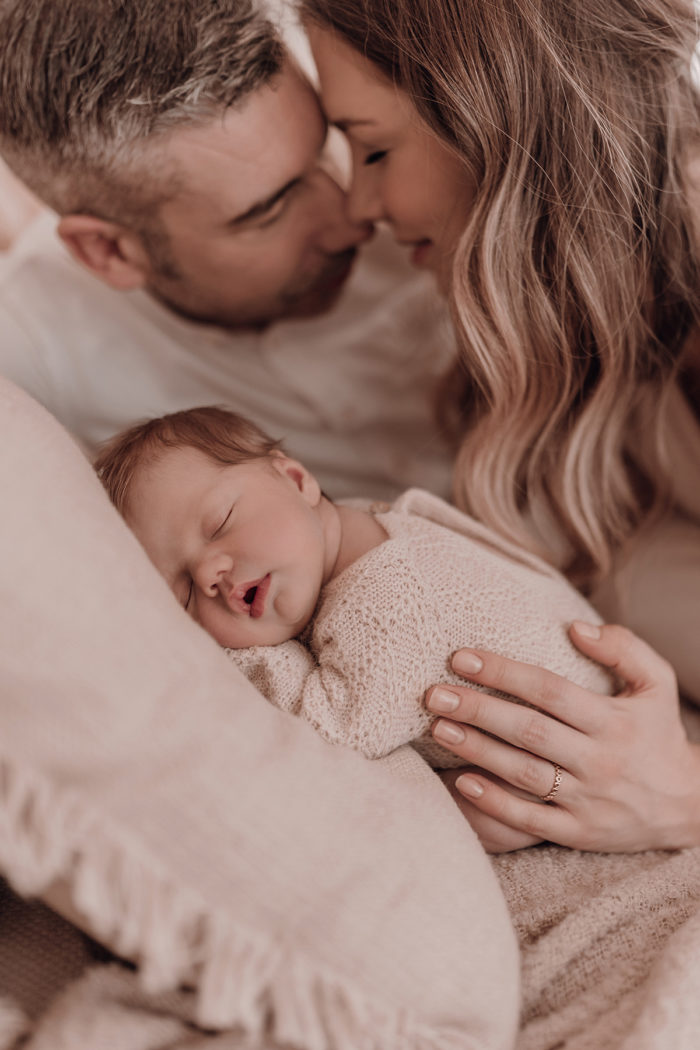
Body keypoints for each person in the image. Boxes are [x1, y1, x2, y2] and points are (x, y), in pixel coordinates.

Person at [296, 0, 700, 851]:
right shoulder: (549, 347)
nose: (361, 204)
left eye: (374, 147)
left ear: (498, 123)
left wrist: (683, 798)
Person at [0, 0, 454, 501]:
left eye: (325, 149)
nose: (352, 222)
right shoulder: (32, 347)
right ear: (109, 251)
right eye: (269, 211)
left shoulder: (400, 134)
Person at [94, 405, 611, 811]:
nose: (208, 574)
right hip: (578, 690)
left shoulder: (382, 601)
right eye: (182, 594)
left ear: (296, 480)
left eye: (221, 522)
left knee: (468, 815)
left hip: (583, 755)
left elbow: (334, 734)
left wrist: (239, 659)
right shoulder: (351, 527)